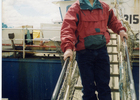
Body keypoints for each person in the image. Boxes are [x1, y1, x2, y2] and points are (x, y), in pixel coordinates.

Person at [60, 0, 128, 100]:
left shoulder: (104, 7)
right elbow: (68, 28)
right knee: (88, 89)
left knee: (104, 87)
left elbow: (113, 21)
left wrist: (121, 30)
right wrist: (68, 48)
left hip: (101, 53)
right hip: (84, 55)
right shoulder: (75, 8)